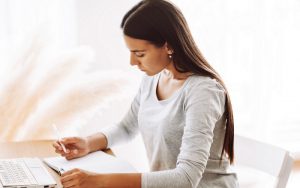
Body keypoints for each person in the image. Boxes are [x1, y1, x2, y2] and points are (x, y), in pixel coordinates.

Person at [52, 0, 239, 187]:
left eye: (139, 53)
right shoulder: (153, 79)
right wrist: (87, 143)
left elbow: (186, 179)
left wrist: (97, 181)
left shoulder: (202, 93)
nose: (132, 62)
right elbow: (126, 128)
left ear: (168, 46)